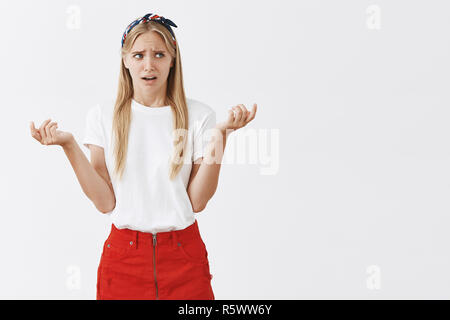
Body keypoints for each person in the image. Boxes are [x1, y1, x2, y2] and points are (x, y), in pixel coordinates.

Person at [29, 12, 257, 300]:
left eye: (159, 54)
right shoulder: (102, 116)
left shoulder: (199, 115)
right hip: (123, 259)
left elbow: (198, 201)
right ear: (125, 60)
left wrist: (220, 136)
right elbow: (104, 202)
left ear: (172, 59)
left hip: (183, 255)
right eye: (138, 55)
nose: (149, 65)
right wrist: (69, 145)